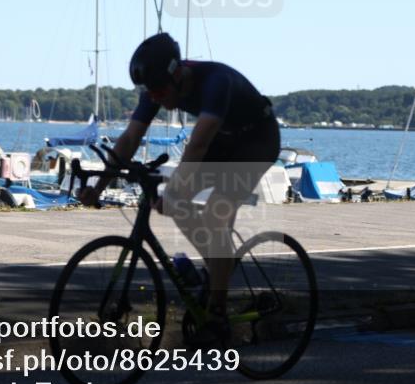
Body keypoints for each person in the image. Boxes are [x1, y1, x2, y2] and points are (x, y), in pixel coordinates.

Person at [80, 33, 279, 340]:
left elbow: (198, 146)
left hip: (257, 141)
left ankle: (217, 313)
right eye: (150, 93)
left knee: (214, 215)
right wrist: (99, 186)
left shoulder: (216, 82)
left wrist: (176, 188)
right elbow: (130, 139)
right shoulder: (157, 88)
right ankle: (214, 273)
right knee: (173, 204)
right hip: (225, 140)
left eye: (159, 91)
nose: (156, 99)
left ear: (176, 74)